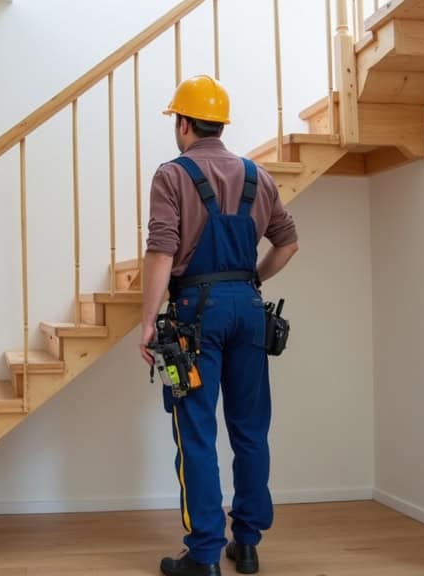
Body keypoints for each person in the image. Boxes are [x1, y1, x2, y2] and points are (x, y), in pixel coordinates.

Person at [139, 75, 299, 576]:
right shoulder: (258, 175)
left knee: (197, 433)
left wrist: (148, 321)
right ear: (221, 124)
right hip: (249, 310)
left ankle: (205, 555)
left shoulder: (172, 175)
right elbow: (288, 243)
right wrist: (251, 278)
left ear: (184, 124)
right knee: (251, 430)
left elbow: (162, 249)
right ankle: (246, 544)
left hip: (194, 316)